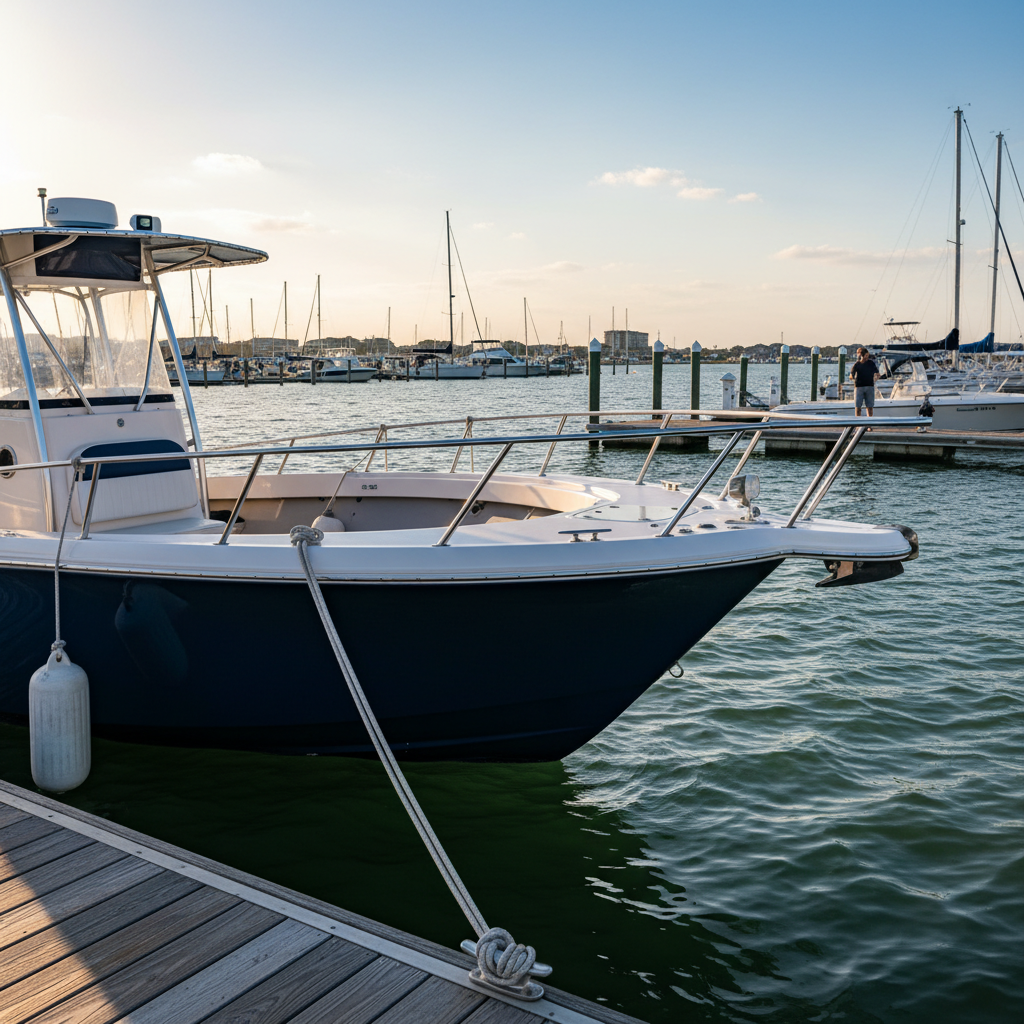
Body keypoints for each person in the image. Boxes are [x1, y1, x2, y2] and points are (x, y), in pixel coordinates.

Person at [850, 347, 879, 417]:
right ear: (862, 355)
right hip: (859, 387)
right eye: (866, 355)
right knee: (858, 407)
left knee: (869, 407)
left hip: (870, 386)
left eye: (867, 355)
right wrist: (853, 379)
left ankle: (869, 425)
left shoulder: (871, 363)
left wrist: (875, 379)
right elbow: (851, 375)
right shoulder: (857, 364)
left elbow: (878, 374)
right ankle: (858, 425)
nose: (867, 357)